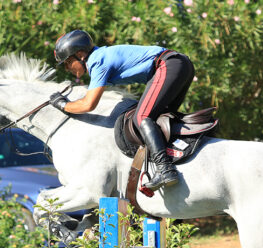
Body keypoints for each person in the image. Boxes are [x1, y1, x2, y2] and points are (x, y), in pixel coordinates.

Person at [50, 30, 195, 190]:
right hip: (180, 64)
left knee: (141, 117)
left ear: (80, 54)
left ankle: (165, 169)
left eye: (67, 62)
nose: (66, 67)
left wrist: (62, 105)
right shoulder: (101, 56)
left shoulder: (97, 61)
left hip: (167, 65)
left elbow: (88, 104)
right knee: (159, 120)